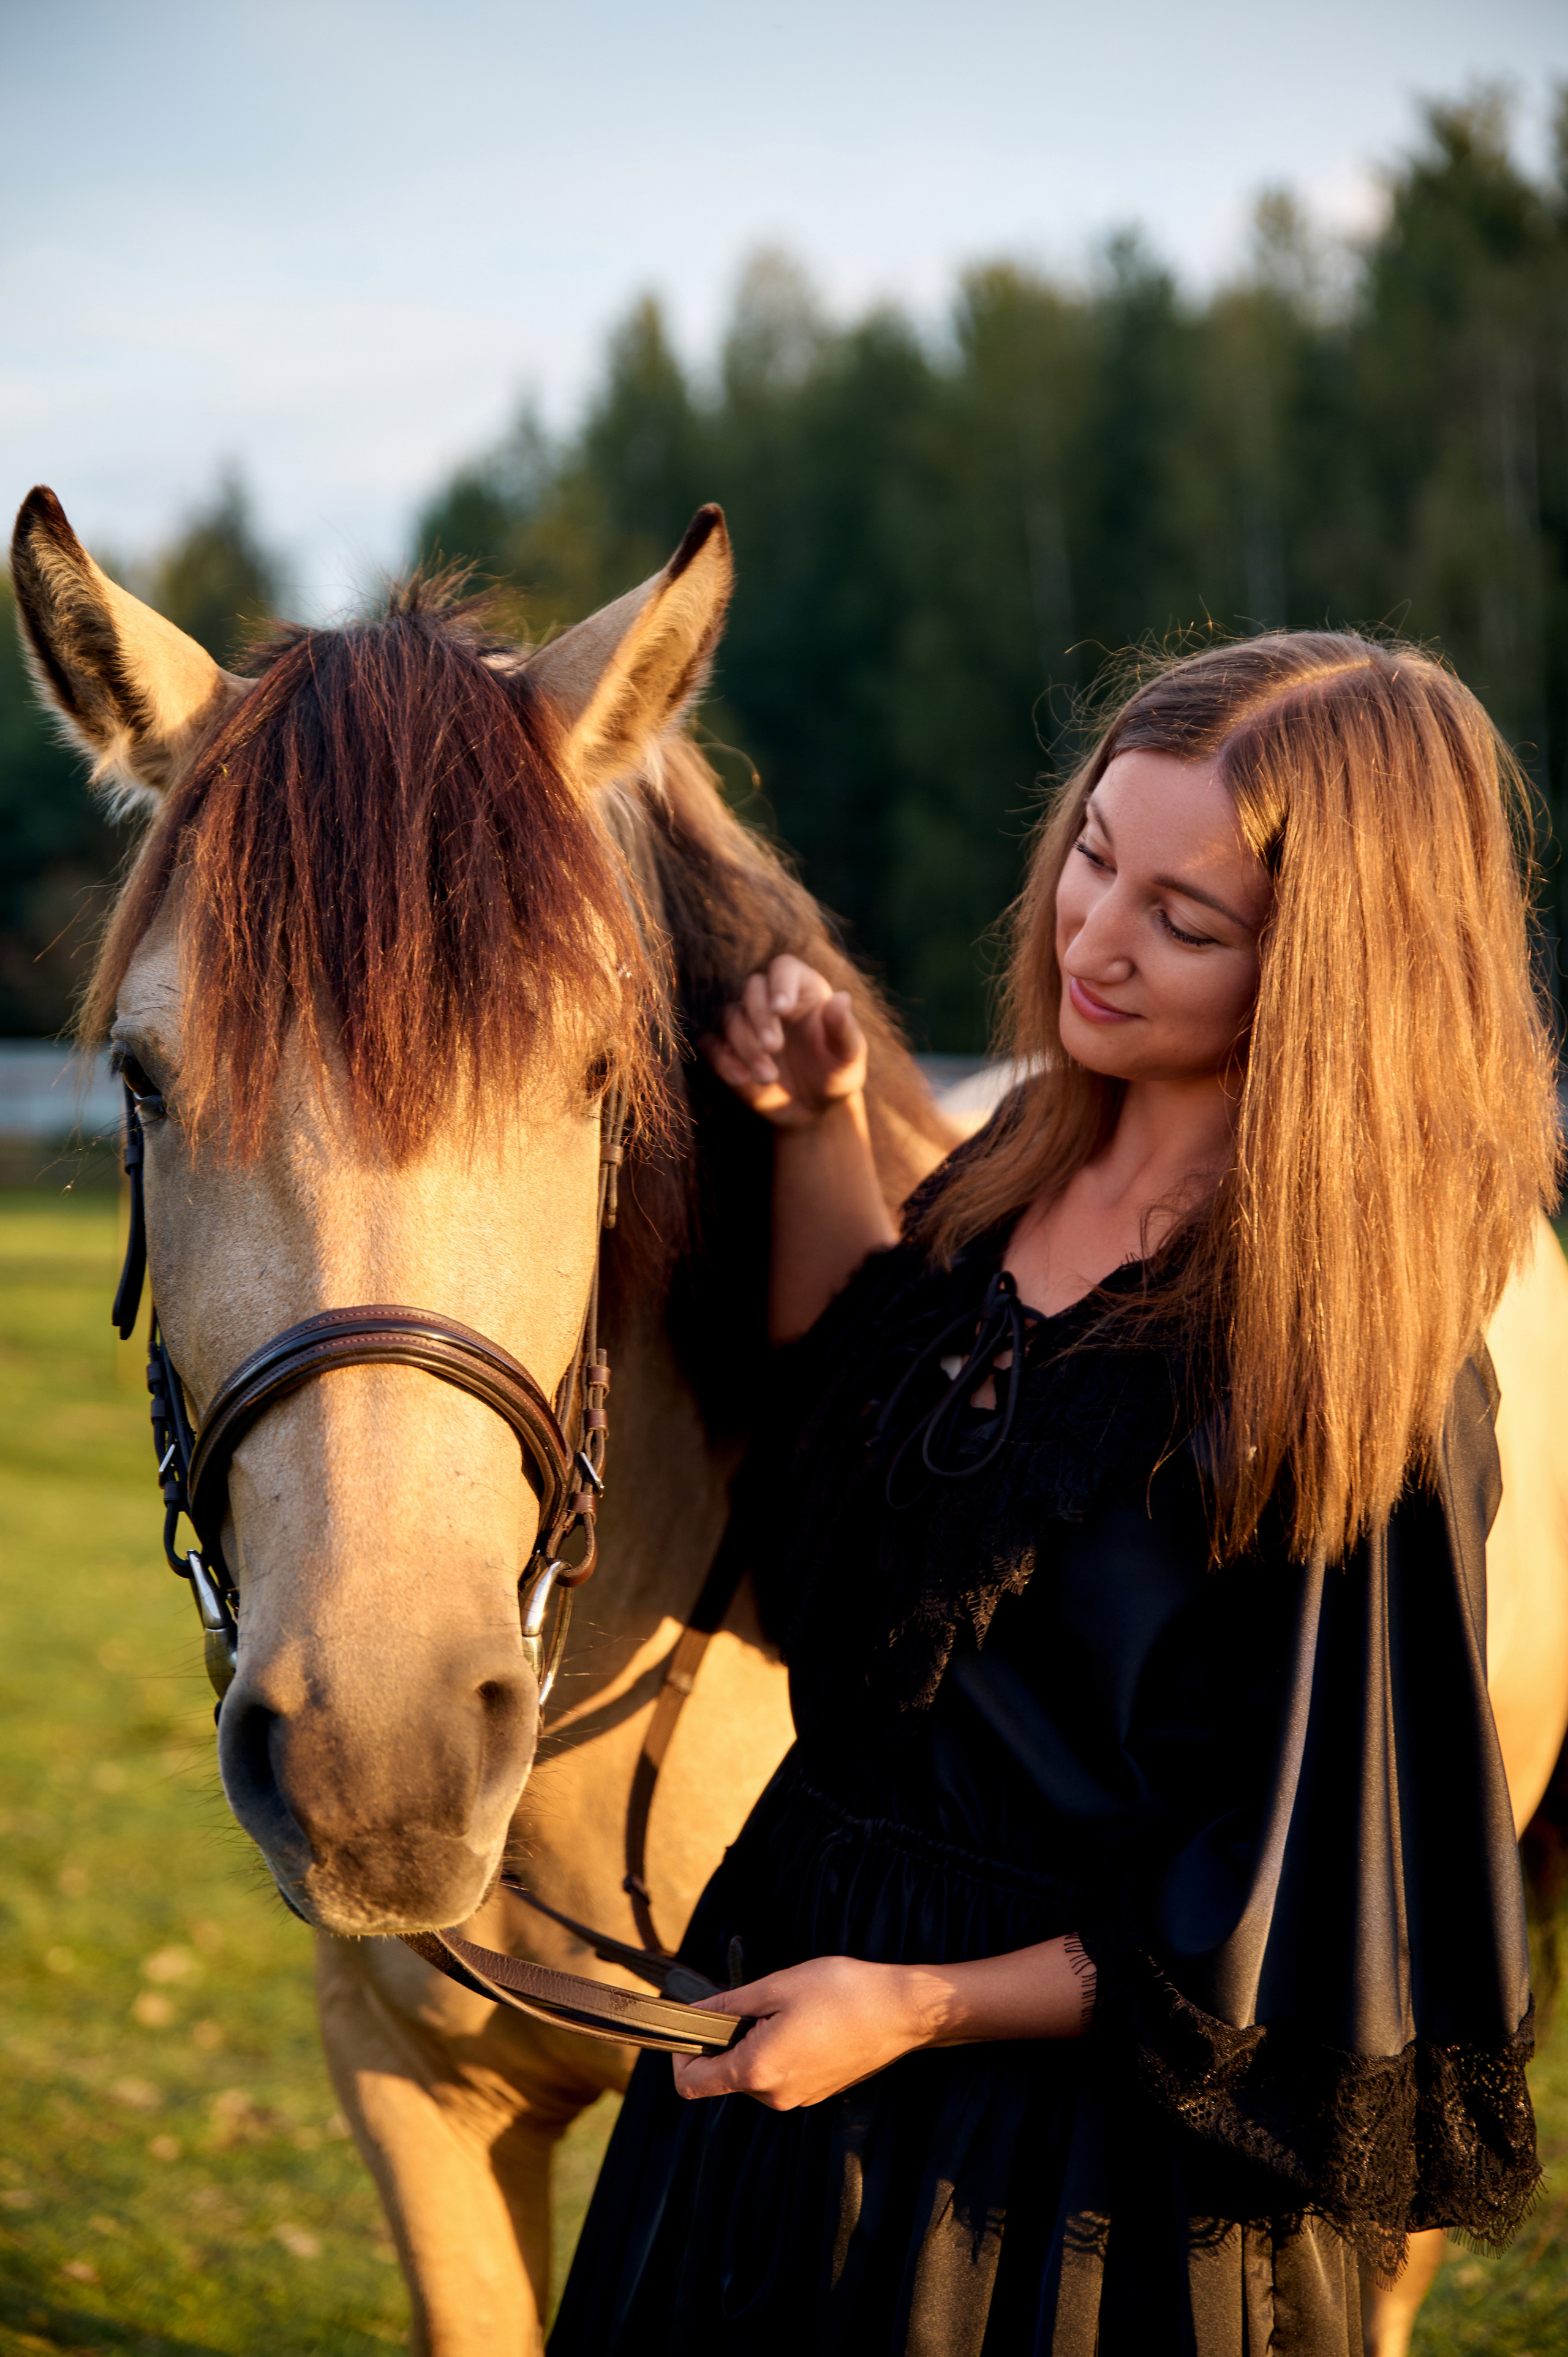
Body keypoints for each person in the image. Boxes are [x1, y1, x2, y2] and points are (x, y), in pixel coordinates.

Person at [549, 632, 1555, 2356]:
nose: (1094, 939)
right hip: (788, 2002)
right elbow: (838, 1476)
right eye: (1095, 854)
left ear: (1335, 969)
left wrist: (920, 2010)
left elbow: (1294, 1895)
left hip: (1062, 2186)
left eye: (1187, 920)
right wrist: (816, 1131)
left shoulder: (1341, 1362)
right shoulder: (1006, 1179)